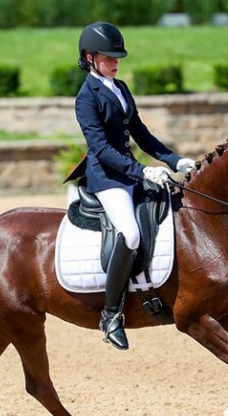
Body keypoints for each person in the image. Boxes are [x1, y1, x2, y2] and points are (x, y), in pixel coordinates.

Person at [70, 21, 195, 351]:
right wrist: (141, 171)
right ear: (89, 57)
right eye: (108, 58)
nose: (115, 63)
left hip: (129, 173)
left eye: (117, 58)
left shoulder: (120, 87)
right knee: (130, 233)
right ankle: (111, 315)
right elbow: (101, 149)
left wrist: (173, 160)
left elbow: (140, 133)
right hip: (107, 178)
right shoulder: (86, 98)